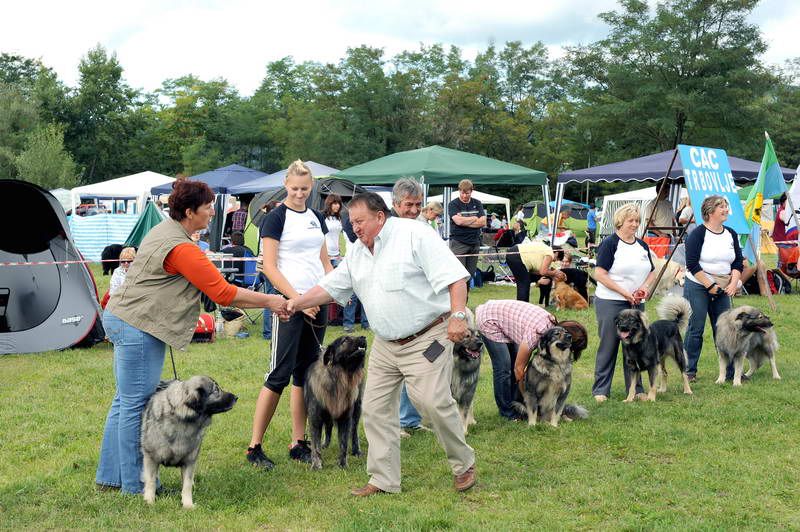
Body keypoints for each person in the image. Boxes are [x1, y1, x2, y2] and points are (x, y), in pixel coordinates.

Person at [97, 180, 288, 494]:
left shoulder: (164, 230)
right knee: (135, 406)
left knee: (125, 403)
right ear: (189, 212)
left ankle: (111, 478)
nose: (213, 212)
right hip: (137, 325)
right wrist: (272, 301)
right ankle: (137, 484)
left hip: (124, 318)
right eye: (208, 207)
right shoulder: (183, 248)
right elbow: (223, 292)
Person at [287, 192, 476, 496]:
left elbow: (456, 278)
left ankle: (463, 463)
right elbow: (331, 287)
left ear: (380, 217)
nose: (355, 228)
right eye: (351, 223)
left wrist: (457, 315)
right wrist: (294, 303)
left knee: (431, 402)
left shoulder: (415, 234)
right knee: (374, 410)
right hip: (385, 345)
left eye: (360, 221)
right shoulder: (358, 252)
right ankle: (384, 479)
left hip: (428, 335)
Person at [246, 160, 334, 470]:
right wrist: (296, 299)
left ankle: (298, 441)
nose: (299, 194)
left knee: (306, 374)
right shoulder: (275, 218)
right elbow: (269, 267)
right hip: (288, 306)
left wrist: (333, 290)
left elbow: (325, 263)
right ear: (286, 185)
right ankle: (254, 446)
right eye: (294, 188)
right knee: (278, 375)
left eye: (305, 189)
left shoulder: (316, 218)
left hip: (316, 303)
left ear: (311, 188)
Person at [475, 301, 588, 418]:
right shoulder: (537, 333)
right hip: (489, 318)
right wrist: (530, 399)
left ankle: (515, 404)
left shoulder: (553, 331)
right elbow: (519, 369)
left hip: (506, 319)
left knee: (514, 361)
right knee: (504, 367)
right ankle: (507, 413)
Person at [591, 203, 657, 403]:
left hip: (636, 303)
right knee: (609, 345)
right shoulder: (610, 243)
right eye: (631, 221)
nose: (635, 224)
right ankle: (601, 389)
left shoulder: (642, 245)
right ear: (620, 221)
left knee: (637, 345)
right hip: (611, 301)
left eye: (637, 221)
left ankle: (636, 389)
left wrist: (644, 287)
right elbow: (599, 273)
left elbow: (652, 271)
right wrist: (624, 292)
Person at [683, 195, 743, 383]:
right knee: (696, 328)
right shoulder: (698, 234)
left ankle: (731, 371)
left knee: (726, 329)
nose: (726, 210)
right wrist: (710, 285)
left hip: (724, 286)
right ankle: (689, 370)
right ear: (709, 212)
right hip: (698, 284)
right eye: (721, 207)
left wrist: (733, 283)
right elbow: (692, 263)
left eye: (726, 206)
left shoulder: (731, 233)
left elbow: (737, 262)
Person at [390, 178, 429, 436]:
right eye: (409, 205)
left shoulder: (424, 229)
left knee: (422, 366)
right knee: (396, 371)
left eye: (419, 204)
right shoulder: (387, 230)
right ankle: (398, 421)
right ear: (395, 204)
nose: (414, 210)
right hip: (395, 310)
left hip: (421, 311)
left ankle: (410, 418)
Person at [505, 240, 565, 305]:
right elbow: (543, 272)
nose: (554, 260)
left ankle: (523, 305)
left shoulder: (545, 249)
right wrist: (554, 273)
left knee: (524, 282)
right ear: (557, 253)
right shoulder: (550, 253)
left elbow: (536, 271)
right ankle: (522, 307)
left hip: (513, 253)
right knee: (524, 283)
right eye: (557, 259)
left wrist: (549, 274)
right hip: (517, 256)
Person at [448, 179, 486, 282]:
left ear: (471, 191)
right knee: (459, 276)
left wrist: (465, 221)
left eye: (467, 193)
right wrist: (474, 218)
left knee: (470, 275)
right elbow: (458, 221)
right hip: (459, 243)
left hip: (474, 243)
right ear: (459, 191)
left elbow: (483, 222)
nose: (465, 196)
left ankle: (465, 297)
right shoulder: (453, 204)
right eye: (462, 193)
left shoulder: (477, 203)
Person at [323, 194, 345, 267]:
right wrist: (324, 255)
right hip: (326, 255)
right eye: (335, 203)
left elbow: (338, 235)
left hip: (337, 255)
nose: (337, 206)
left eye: (339, 203)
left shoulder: (338, 217)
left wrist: (339, 252)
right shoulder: (322, 216)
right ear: (329, 204)